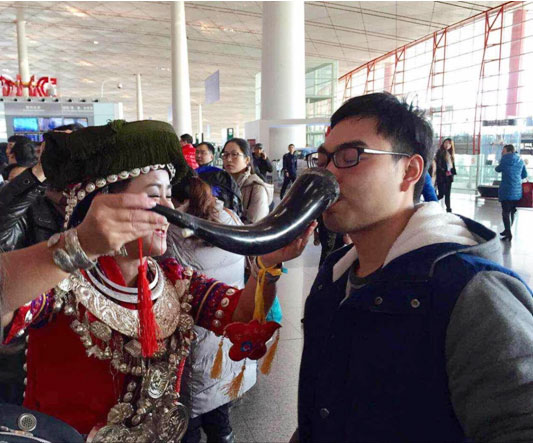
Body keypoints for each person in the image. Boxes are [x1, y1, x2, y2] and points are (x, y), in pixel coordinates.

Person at [2, 120, 312, 440]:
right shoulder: (61, 284)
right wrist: (77, 245)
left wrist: (267, 265)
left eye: (168, 195)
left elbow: (243, 314)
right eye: (154, 195)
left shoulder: (174, 279)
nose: (168, 208)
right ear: (102, 203)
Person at [293, 92, 533, 442]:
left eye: (349, 157)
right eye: (324, 159)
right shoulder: (334, 277)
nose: (327, 174)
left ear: (410, 170)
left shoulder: (473, 293)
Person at [167, 175, 253, 443]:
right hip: (228, 328)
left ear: (178, 200)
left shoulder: (172, 230)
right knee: (218, 405)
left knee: (188, 416)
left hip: (194, 338)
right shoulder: (230, 216)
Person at [222, 138, 272, 224]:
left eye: (234, 154)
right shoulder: (220, 182)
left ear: (247, 160)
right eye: (225, 155)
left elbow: (254, 227)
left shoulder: (257, 188)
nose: (229, 159)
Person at [495, 144, 528, 241]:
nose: (502, 152)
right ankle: (507, 229)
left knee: (505, 213)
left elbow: (497, 169)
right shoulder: (520, 160)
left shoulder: (505, 159)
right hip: (517, 190)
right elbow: (524, 174)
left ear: (509, 151)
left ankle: (508, 233)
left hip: (507, 190)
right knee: (512, 211)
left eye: (503, 150)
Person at [435, 137, 456, 212]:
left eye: (449, 143)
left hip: (448, 177)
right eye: (446, 142)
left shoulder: (451, 155)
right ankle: (431, 202)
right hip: (441, 177)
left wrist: (452, 174)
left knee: (447, 195)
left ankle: (449, 210)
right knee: (441, 194)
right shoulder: (440, 152)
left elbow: (452, 167)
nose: (447, 144)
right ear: (443, 143)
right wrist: (444, 172)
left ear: (451, 145)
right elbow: (438, 165)